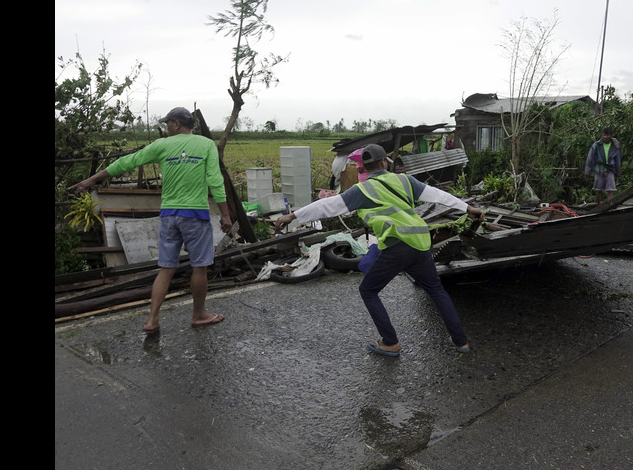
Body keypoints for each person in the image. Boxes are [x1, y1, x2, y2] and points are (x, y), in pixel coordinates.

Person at [275, 143, 484, 356]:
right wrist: (468, 208)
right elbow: (438, 195)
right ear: (384, 162)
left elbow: (326, 206)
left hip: (396, 246)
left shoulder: (363, 190)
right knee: (436, 290)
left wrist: (293, 216)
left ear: (364, 168)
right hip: (421, 243)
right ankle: (461, 342)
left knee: (368, 290)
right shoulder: (405, 180)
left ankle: (390, 342)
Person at [69, 107, 233, 334]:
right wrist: (225, 215)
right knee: (200, 267)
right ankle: (198, 315)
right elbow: (215, 181)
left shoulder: (161, 146)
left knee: (166, 269)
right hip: (195, 215)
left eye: (168, 123)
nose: (166, 127)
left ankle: (152, 320)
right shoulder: (205, 145)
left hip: (168, 216)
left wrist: (90, 181)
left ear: (177, 124)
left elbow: (127, 162)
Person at [584, 126, 621, 203]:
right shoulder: (596, 145)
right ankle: (598, 206)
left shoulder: (615, 146)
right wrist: (587, 171)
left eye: (607, 135)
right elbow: (590, 158)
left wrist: (618, 172)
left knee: (610, 189)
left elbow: (617, 160)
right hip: (599, 169)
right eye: (603, 135)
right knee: (598, 189)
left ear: (611, 136)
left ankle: (610, 206)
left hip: (610, 169)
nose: (605, 137)